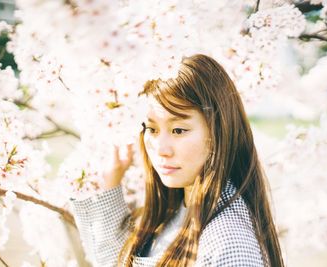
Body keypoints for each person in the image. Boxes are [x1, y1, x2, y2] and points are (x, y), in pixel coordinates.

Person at [71, 54, 284, 267]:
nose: (161, 149)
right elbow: (117, 262)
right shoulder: (179, 208)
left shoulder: (228, 243)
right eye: (151, 129)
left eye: (178, 130)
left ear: (218, 131)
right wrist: (110, 184)